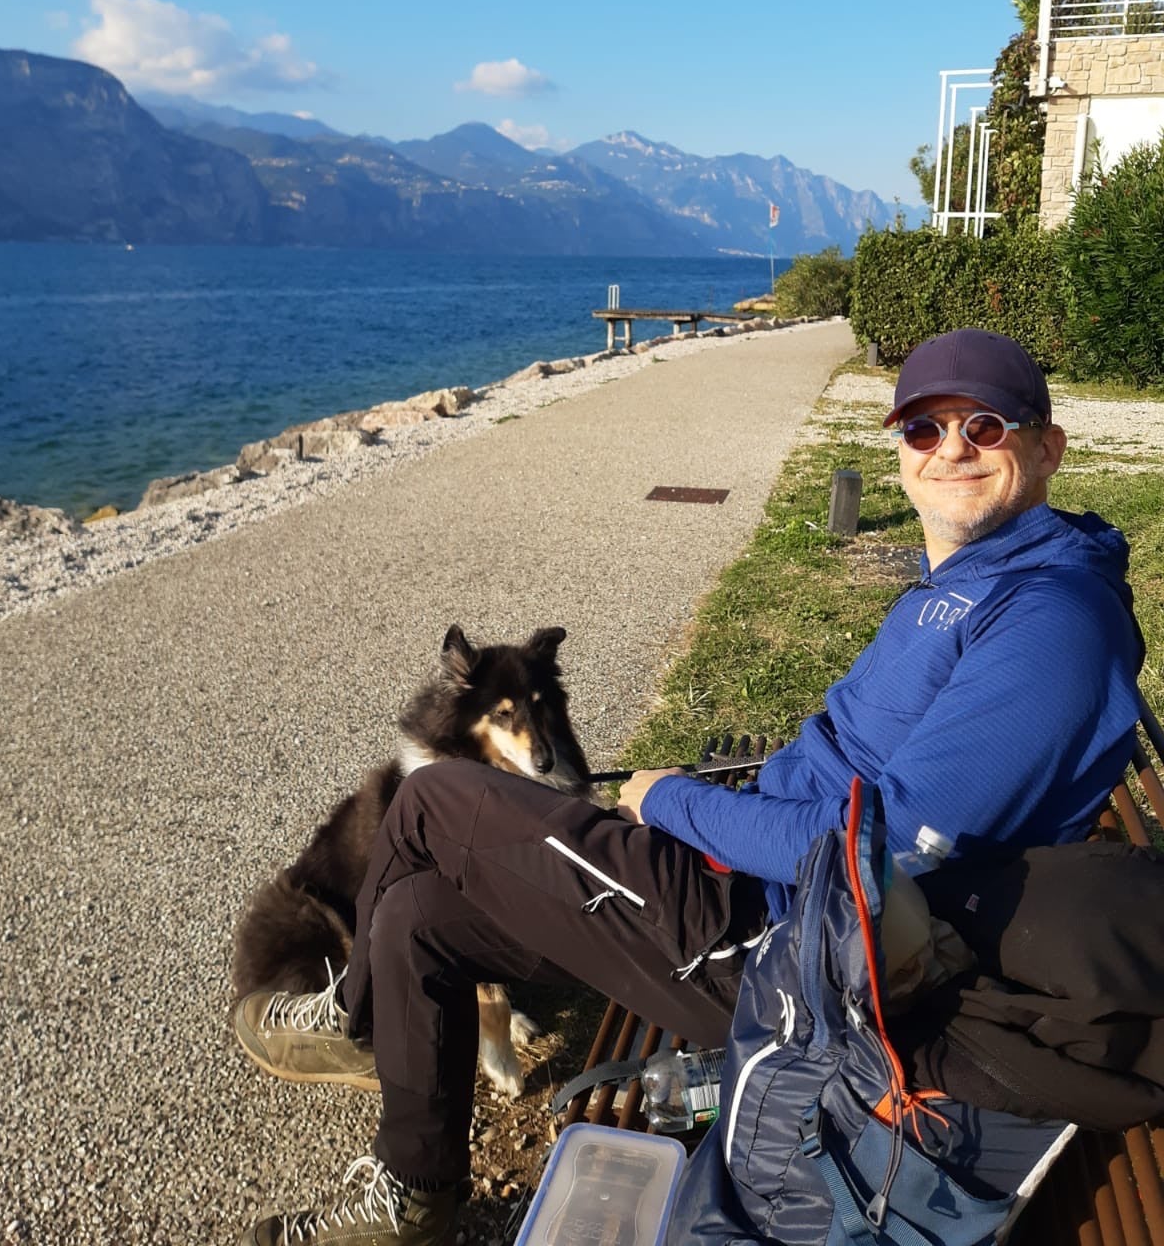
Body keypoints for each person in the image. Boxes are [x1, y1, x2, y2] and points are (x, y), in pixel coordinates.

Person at [232, 328, 1145, 1246]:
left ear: (1048, 448)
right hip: (756, 885)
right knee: (421, 910)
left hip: (786, 947)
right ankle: (415, 1199)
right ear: (901, 450)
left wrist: (671, 801)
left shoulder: (1053, 618)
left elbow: (883, 851)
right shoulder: (976, 581)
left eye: (985, 426)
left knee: (431, 801)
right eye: (923, 428)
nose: (950, 449)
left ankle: (351, 1020)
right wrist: (715, 813)